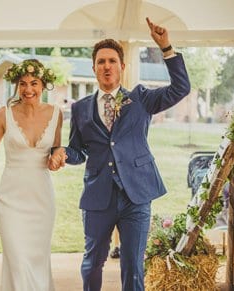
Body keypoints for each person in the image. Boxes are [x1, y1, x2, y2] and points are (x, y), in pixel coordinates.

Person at [48, 18, 191, 291]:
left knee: (133, 265)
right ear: (94, 69)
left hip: (136, 195)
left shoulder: (141, 99)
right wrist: (64, 153)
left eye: (112, 61)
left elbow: (180, 89)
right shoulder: (80, 109)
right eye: (101, 62)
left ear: (122, 67)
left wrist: (167, 48)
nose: (107, 66)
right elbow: (78, 150)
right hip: (97, 197)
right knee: (92, 263)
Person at [0, 59, 63, 290]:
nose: (28, 89)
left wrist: (57, 159)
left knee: (38, 259)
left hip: (41, 198)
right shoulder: (4, 114)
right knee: (18, 260)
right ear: (17, 86)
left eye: (34, 83)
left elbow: (56, 150)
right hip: (10, 198)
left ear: (43, 85)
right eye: (23, 83)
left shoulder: (57, 114)